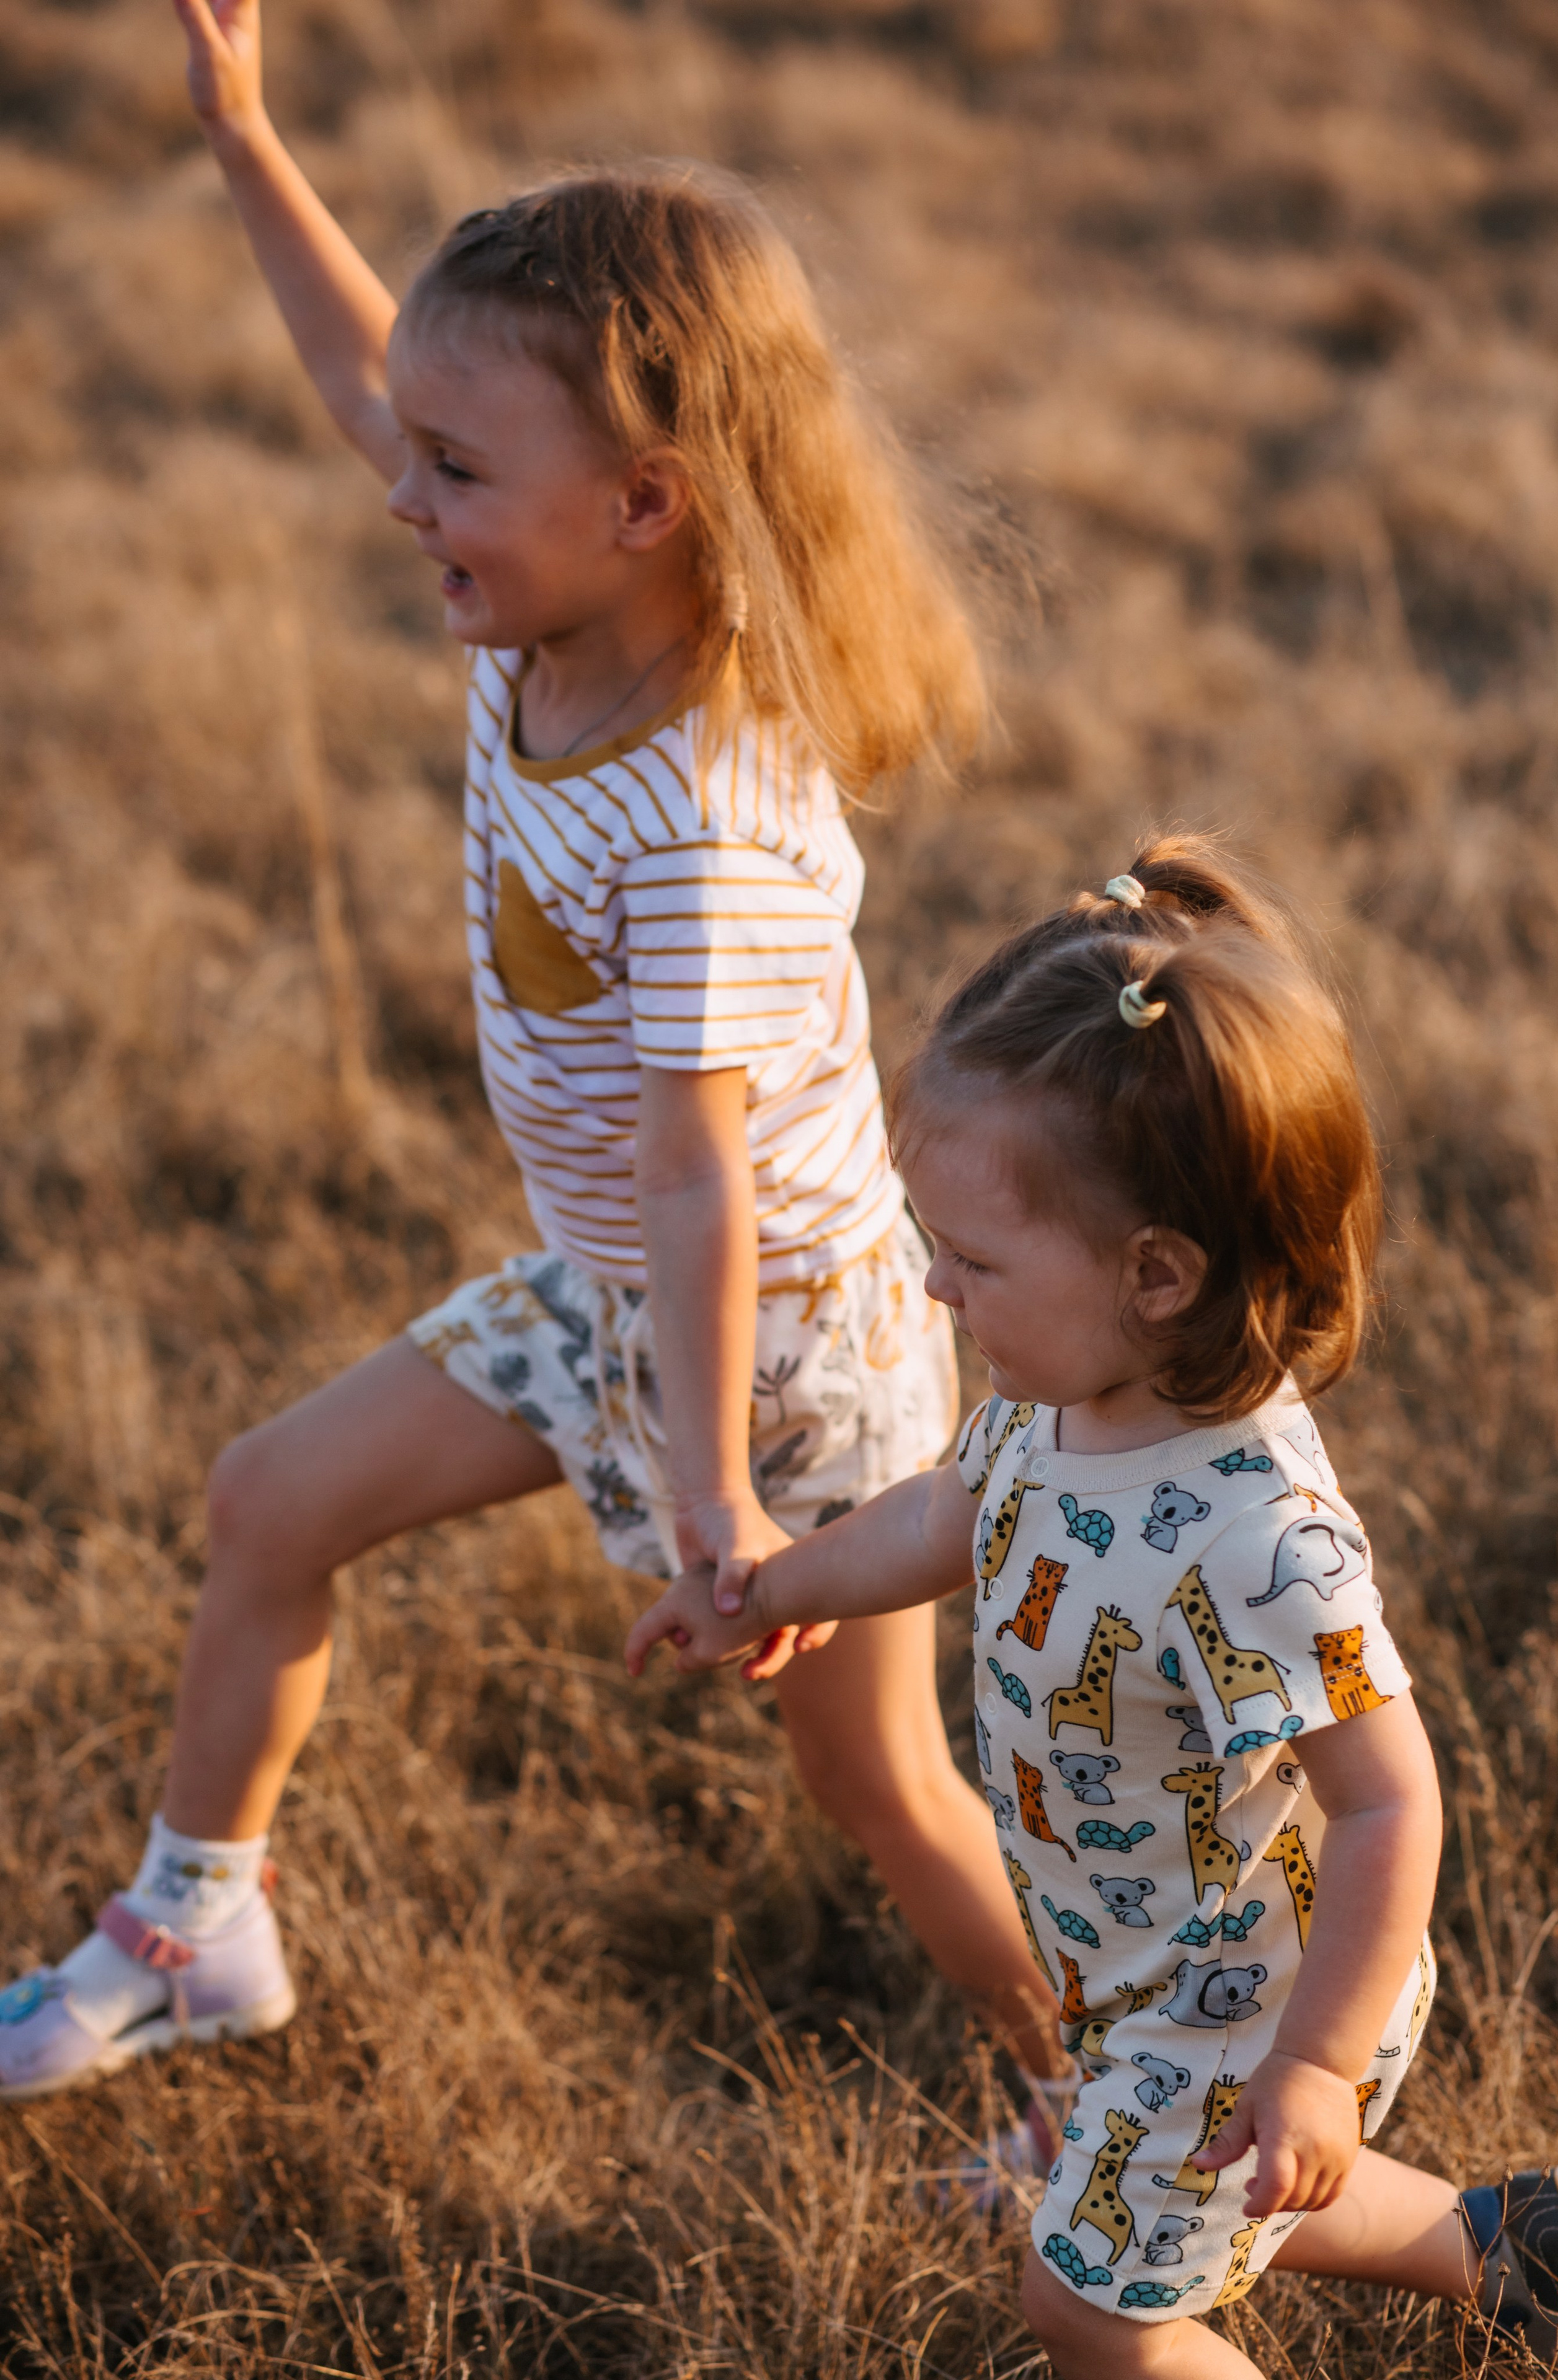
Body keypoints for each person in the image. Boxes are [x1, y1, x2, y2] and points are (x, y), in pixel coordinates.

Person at [0, 0, 1067, 2134]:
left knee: (880, 1790)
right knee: (265, 1505)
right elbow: (359, 374)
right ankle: (196, 1926)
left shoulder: (700, 824)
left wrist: (717, 1499)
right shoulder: (552, 601)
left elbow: (708, 1181)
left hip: (784, 1355)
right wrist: (241, 138)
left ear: (647, 503)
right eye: (425, 456)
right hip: (614, 1285)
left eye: (458, 473)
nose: (408, 500)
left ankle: (1091, 2095)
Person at [627, 840, 1558, 2379]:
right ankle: (1518, 2248)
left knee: (1089, 2308)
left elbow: (1391, 1802)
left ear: (1153, 1274)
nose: (934, 1291)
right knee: (1204, 2208)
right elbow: (954, 1511)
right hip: (1131, 1961)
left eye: (972, 1259)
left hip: (1250, 1997)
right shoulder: (1056, 1393)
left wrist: (1316, 2070)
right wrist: (779, 1586)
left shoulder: (1250, 1534)